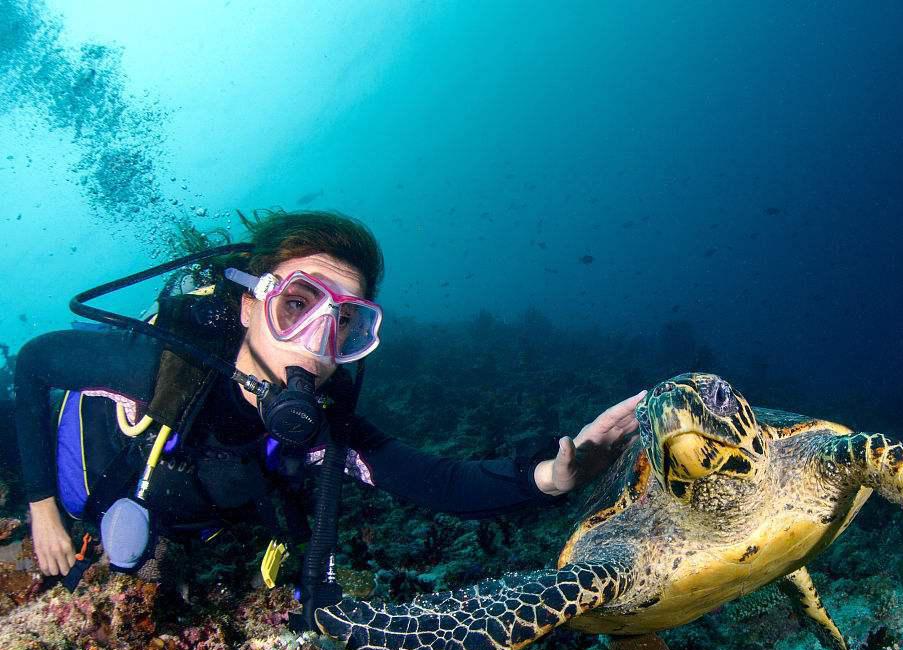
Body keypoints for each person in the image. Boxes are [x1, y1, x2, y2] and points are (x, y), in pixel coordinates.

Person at [14, 209, 645, 628]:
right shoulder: (161, 369)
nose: (318, 342)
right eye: (297, 304)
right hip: (71, 481)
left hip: (179, 530)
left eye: (344, 323)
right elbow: (38, 361)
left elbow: (439, 482)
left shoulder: (321, 427)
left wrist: (549, 480)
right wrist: (41, 506)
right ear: (246, 305)